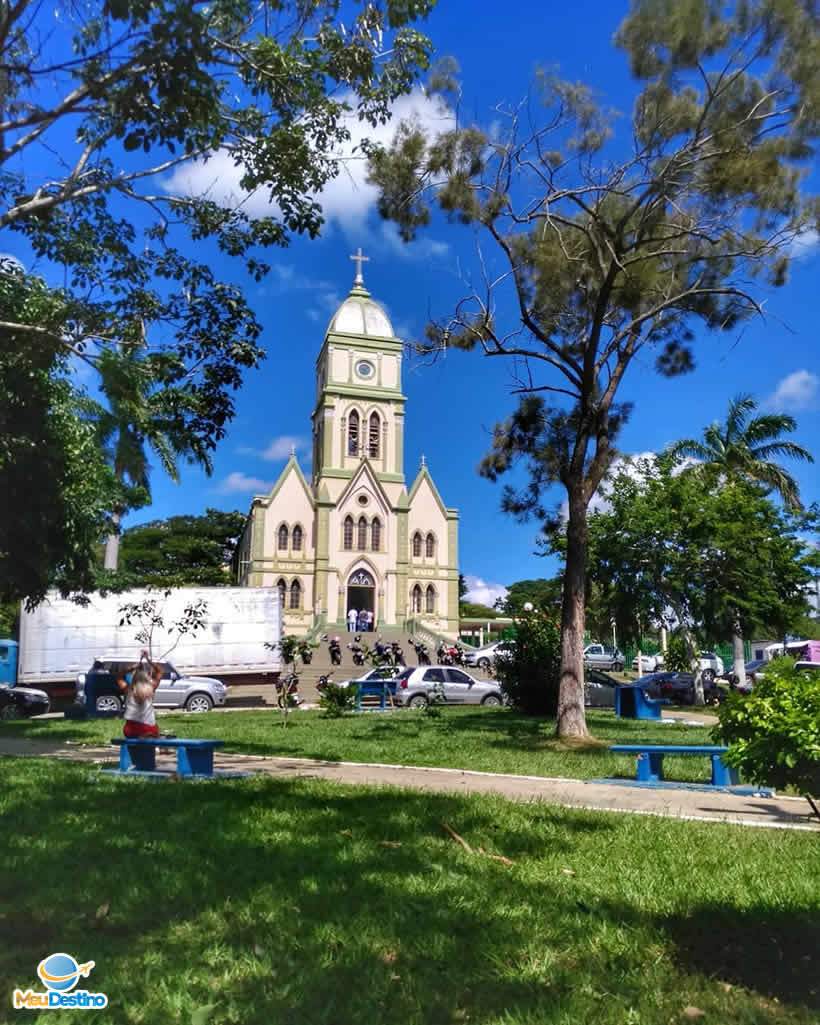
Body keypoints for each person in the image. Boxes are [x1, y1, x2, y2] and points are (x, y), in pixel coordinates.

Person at [116, 650, 163, 739]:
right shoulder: (152, 688)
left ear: (133, 678)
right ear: (147, 678)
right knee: (155, 731)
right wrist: (148, 660)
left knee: (131, 731)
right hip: (149, 729)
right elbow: (159, 671)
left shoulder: (128, 689)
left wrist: (133, 667)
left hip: (131, 729)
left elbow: (119, 676)